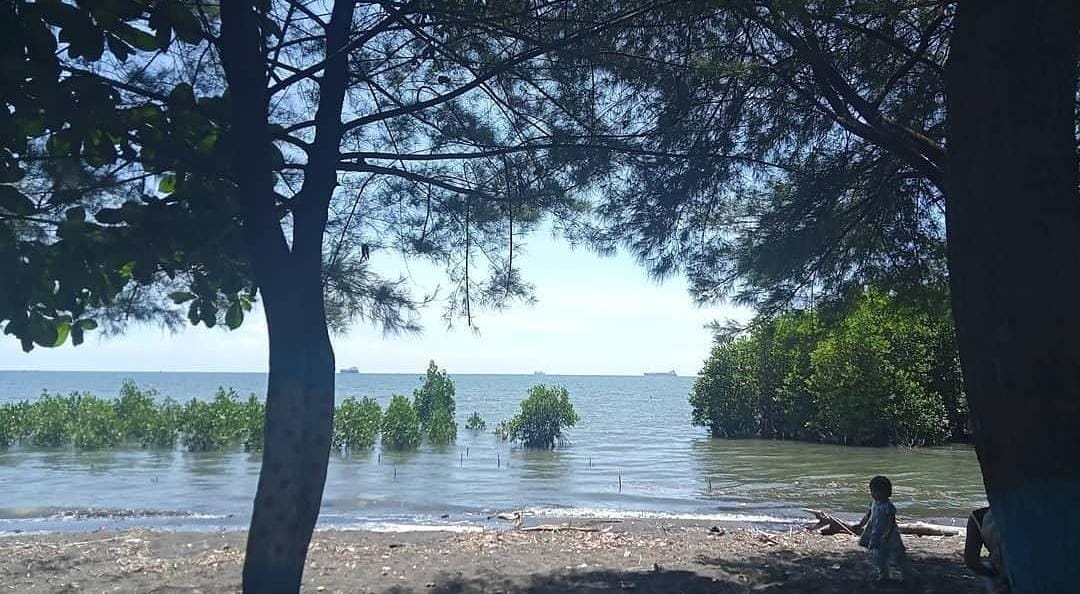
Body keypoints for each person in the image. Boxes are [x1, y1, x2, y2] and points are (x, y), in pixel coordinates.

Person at [854, 475, 912, 582]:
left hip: (890, 535)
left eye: (877, 492)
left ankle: (906, 574)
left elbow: (891, 522)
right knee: (878, 556)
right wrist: (860, 525)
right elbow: (868, 515)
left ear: (887, 492)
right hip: (876, 533)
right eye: (872, 491)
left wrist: (887, 534)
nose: (874, 494)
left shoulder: (888, 506)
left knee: (898, 555)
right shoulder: (873, 503)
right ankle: (883, 575)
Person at [965, 506, 1009, 593]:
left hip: (1004, 574)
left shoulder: (978, 516)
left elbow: (972, 562)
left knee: (989, 566)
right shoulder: (1037, 512)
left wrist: (993, 574)